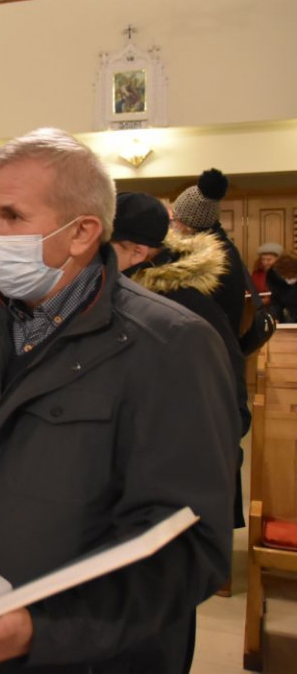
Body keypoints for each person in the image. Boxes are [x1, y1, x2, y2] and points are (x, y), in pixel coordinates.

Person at [0, 129, 237, 673]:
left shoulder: (170, 345)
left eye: (12, 217)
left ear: (82, 231)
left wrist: (44, 631)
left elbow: (186, 547)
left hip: (87, 657)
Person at [111, 191, 249, 531]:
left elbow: (223, 398)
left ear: (137, 252)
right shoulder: (137, 291)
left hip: (177, 466)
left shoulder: (181, 308)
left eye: (104, 247)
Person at [170, 168, 247, 337]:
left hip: (213, 342)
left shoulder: (207, 255)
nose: (173, 226)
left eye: (175, 219)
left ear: (187, 224)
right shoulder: (222, 245)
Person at [267, 252, 297, 322]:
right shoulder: (274, 277)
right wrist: (275, 317)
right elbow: (276, 301)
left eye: (292, 276)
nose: (288, 280)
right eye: (284, 276)